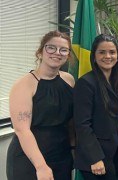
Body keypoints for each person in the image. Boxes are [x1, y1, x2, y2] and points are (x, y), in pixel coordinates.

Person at [6, 31, 75, 180]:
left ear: (68, 55)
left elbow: (70, 121)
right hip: (30, 160)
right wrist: (41, 167)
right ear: (41, 51)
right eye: (51, 47)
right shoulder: (24, 85)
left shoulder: (69, 80)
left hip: (62, 156)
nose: (57, 53)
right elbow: (22, 130)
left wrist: (74, 149)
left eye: (63, 50)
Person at [74, 34, 118, 179]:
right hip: (96, 158)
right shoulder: (86, 83)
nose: (108, 56)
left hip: (116, 154)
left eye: (112, 52)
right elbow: (82, 125)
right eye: (102, 52)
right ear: (94, 56)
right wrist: (95, 158)